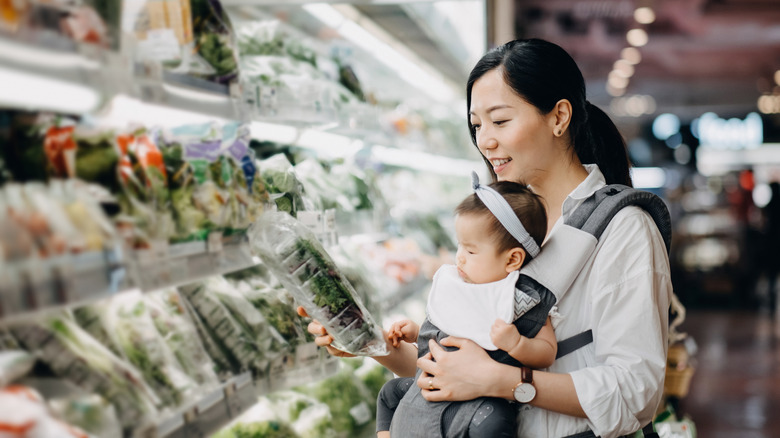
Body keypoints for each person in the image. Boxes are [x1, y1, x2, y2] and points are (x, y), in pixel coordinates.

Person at [299, 38, 672, 438]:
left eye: (500, 120)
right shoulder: (499, 222)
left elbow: (636, 393)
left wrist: (501, 381)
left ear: (559, 117)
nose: (485, 141)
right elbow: (458, 372)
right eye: (477, 125)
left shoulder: (623, 229)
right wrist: (370, 342)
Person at [376, 175, 557, 438]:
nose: (459, 257)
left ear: (512, 259)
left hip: (477, 405)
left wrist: (517, 344)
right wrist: (417, 333)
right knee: (390, 393)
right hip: (427, 392)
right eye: (459, 245)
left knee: (494, 421)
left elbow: (548, 352)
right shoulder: (456, 286)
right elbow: (440, 335)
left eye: (471, 251)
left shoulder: (521, 300)